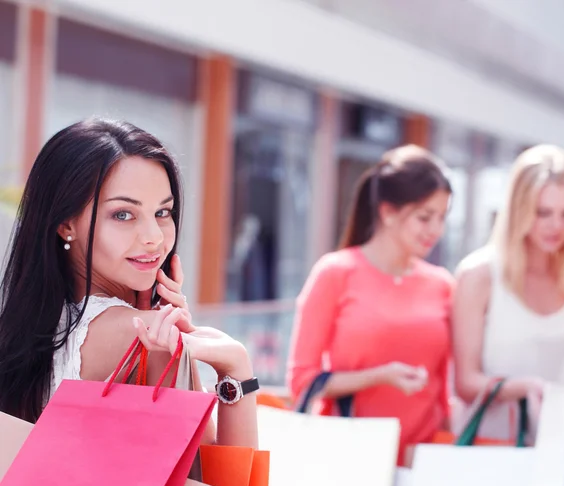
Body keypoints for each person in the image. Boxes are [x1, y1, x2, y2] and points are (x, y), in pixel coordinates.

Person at [0, 119, 258, 448]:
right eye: (123, 214)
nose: (154, 238)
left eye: (163, 212)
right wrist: (236, 366)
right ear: (66, 224)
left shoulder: (29, 330)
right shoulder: (150, 339)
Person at [286, 145, 454, 465]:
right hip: (350, 460)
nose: (436, 230)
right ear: (388, 212)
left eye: (442, 218)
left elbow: (444, 391)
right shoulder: (335, 273)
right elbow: (302, 381)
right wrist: (380, 376)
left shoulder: (442, 284)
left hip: (423, 460)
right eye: (425, 217)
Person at [452, 144, 564, 442]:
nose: (557, 225)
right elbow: (464, 382)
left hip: (560, 450)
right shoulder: (480, 275)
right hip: (491, 452)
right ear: (519, 209)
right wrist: (525, 386)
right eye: (543, 213)